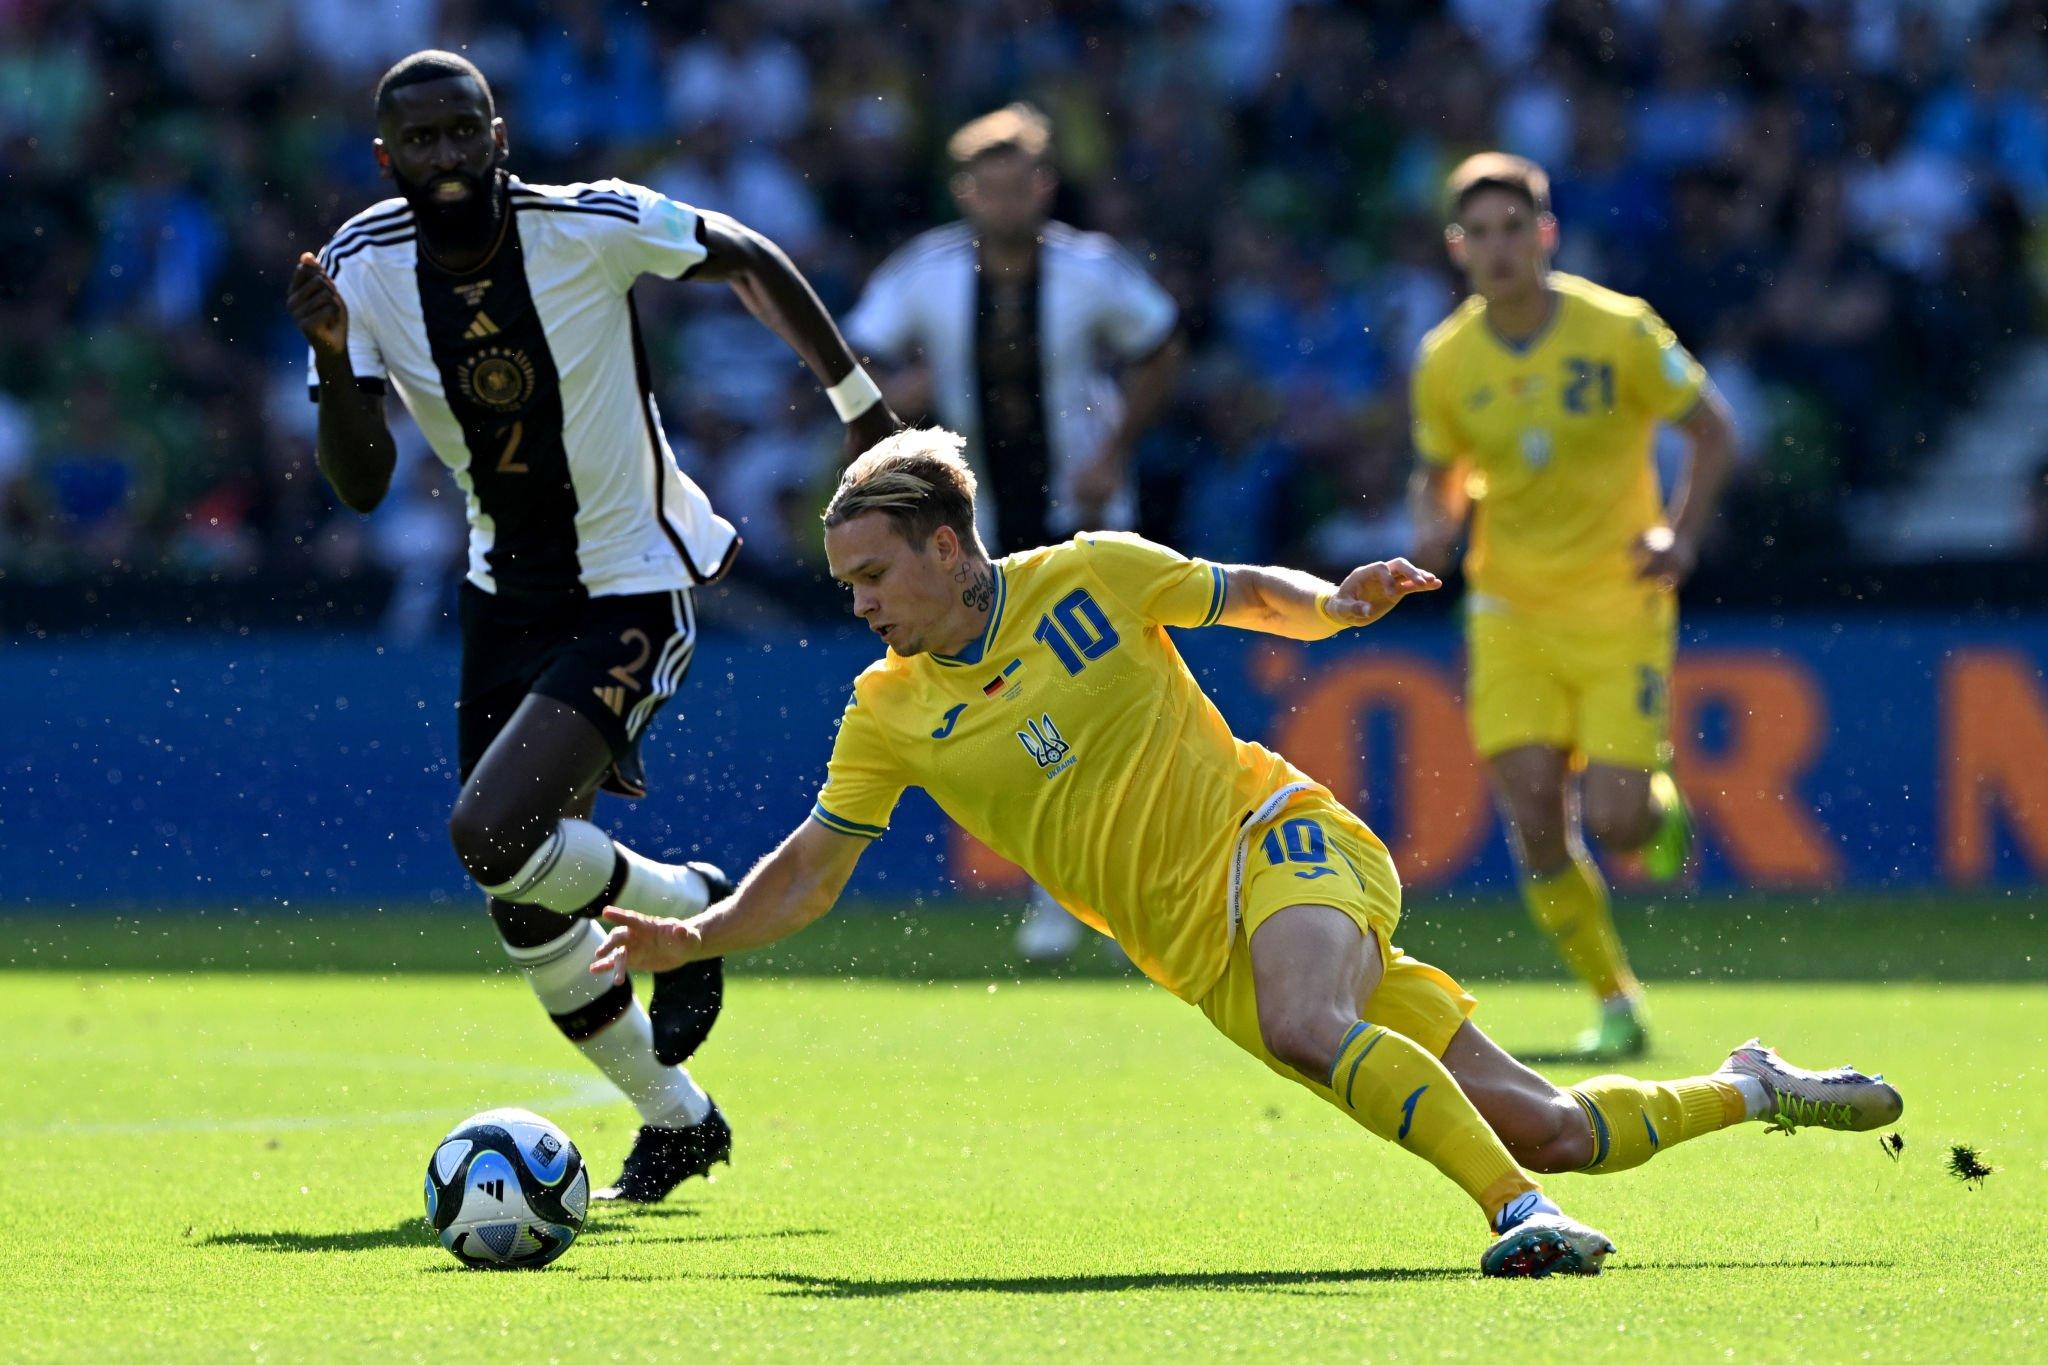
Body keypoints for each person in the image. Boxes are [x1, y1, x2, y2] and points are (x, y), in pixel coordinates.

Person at [588, 430, 1901, 1278]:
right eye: (847, 587)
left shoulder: (1093, 575)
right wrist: (696, 936)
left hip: (1281, 840)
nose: (862, 607)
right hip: (1202, 955)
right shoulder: (889, 710)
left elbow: (1236, 592)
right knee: (1555, 1125)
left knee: (1311, 1017)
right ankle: (1750, 1085)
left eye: (873, 576)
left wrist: (1333, 605)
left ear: (946, 546)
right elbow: (815, 868)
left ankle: (1517, 1219)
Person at [286, 51, 899, 1203]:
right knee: (520, 892)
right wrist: (329, 360)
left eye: (464, 132)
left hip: (630, 580)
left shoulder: (590, 223)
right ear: (387, 158)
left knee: (487, 835)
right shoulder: (364, 267)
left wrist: (861, 412)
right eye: (422, 142)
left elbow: (748, 257)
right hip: (501, 590)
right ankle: (678, 1118)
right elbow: (360, 483)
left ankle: (688, 907)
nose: (448, 157)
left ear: (499, 133)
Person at [1407, 153, 1739, 1060]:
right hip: (1508, 607)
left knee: (1619, 823)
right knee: (1532, 806)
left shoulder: (1618, 330)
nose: (1500, 248)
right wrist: (1433, 530)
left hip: (1616, 602)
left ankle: (1658, 809)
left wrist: (1680, 534)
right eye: (1481, 233)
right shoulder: (1445, 362)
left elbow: (1711, 428)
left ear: (1546, 235)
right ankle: (1615, 1000)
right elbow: (1442, 478)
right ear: (1457, 248)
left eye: (1516, 228)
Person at [845, 101, 1186, 963]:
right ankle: (1061, 885)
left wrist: (1113, 447)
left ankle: (1125, 882)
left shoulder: (1089, 268)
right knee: (1016, 698)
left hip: (1085, 509)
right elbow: (860, 352)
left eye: (1018, 183)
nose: (1003, 200)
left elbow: (1161, 345)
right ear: (965, 190)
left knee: (1109, 691)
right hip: (977, 523)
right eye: (986, 185)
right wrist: (904, 420)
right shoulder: (927, 272)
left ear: (1042, 186)